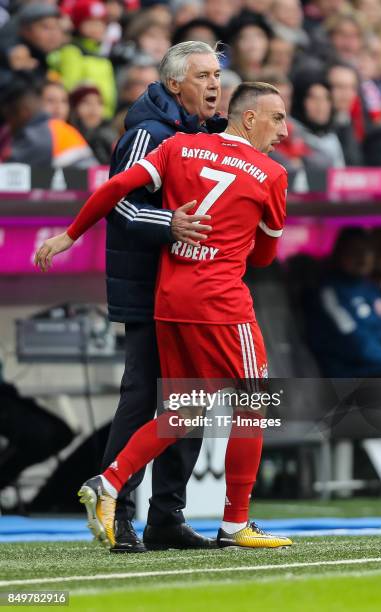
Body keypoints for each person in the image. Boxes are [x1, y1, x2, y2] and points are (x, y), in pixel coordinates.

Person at [35, 81, 293, 551]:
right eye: (277, 118)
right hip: (221, 304)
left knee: (185, 408)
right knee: (255, 403)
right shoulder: (270, 174)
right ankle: (236, 523)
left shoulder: (179, 147)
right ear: (249, 117)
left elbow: (115, 187)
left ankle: (107, 484)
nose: (284, 130)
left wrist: (68, 236)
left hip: (170, 300)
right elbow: (264, 259)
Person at [36, 41, 225, 554]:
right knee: (143, 399)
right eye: (203, 75)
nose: (214, 84)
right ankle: (118, 511)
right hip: (148, 288)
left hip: (189, 291)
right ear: (174, 84)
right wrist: (171, 222)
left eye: (217, 74)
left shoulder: (207, 135)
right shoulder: (148, 132)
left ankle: (167, 517)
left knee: (188, 399)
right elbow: (120, 204)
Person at [303, 227, 381, 378]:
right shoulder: (329, 293)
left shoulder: (371, 288)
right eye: (355, 252)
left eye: (367, 251)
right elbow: (353, 341)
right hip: (348, 380)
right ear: (340, 255)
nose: (363, 258)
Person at [0, 75, 96, 168]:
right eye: (50, 101)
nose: (58, 107)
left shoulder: (43, 133)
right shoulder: (59, 129)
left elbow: (7, 169)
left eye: (64, 101)